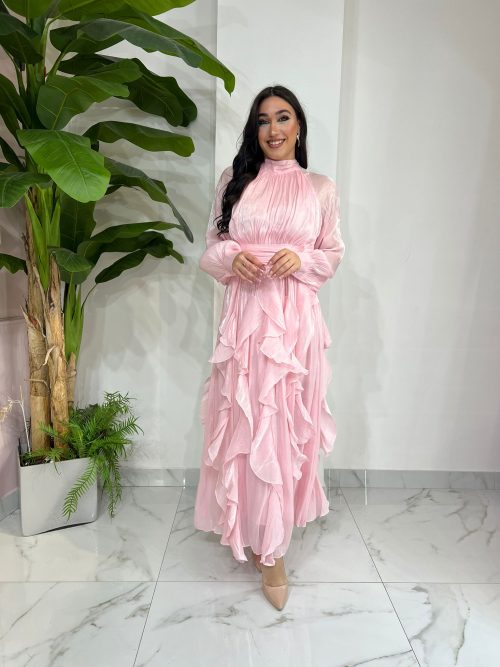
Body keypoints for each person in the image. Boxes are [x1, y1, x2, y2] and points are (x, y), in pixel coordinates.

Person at [194, 85, 345, 610]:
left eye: (283, 118)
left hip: (295, 322)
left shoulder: (320, 188)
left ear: (299, 126)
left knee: (282, 425)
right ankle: (255, 530)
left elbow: (332, 253)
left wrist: (300, 260)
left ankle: (274, 547)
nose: (274, 129)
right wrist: (232, 257)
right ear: (254, 130)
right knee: (247, 422)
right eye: (263, 120)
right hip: (245, 321)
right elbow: (211, 249)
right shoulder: (233, 181)